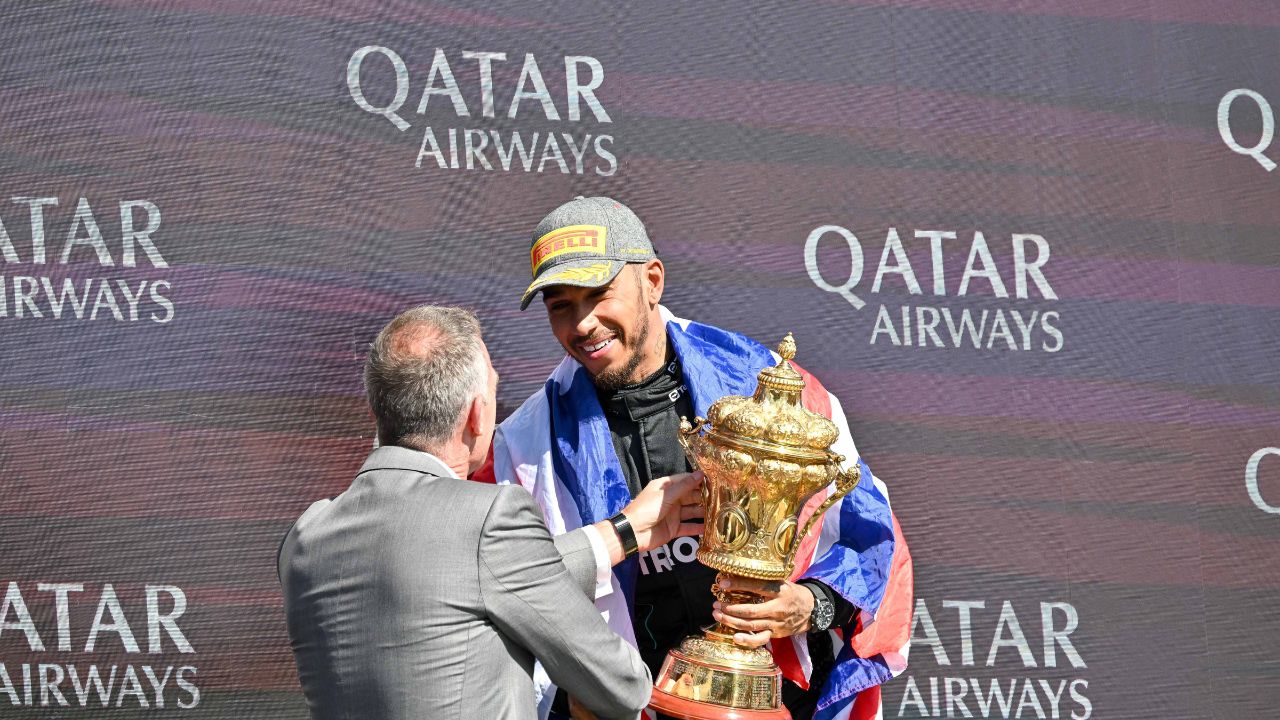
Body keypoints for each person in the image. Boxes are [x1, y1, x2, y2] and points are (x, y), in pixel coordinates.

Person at [481, 198, 915, 720]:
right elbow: (509, 594)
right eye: (561, 306)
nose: (583, 323)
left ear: (652, 281)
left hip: (783, 701)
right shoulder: (526, 445)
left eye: (598, 295)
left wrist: (811, 605)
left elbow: (868, 534)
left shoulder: (763, 383)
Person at [279, 305, 705, 720]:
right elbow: (622, 686)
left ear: (376, 412)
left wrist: (621, 532)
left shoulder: (306, 536)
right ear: (477, 416)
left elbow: (452, 581)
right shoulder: (489, 518)